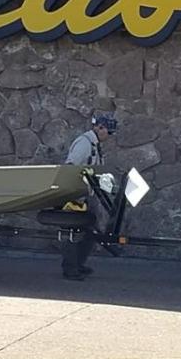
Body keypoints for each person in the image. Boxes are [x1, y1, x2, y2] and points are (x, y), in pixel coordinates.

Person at [60, 112, 117, 281]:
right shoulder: (84, 144)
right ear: (99, 127)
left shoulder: (94, 144)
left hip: (84, 195)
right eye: (109, 131)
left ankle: (77, 264)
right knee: (74, 232)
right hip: (76, 196)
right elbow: (70, 166)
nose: (110, 135)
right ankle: (71, 269)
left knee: (88, 231)